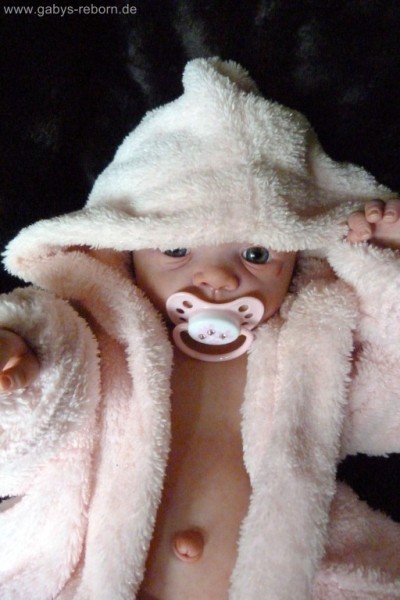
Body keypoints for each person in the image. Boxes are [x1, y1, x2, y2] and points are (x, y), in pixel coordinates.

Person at [0, 58, 400, 600]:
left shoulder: (313, 347)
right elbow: (45, 404)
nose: (216, 277)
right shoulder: (100, 336)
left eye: (256, 254)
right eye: (176, 248)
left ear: (297, 257)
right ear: (126, 250)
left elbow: (390, 399)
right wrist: (21, 358)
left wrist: (382, 270)